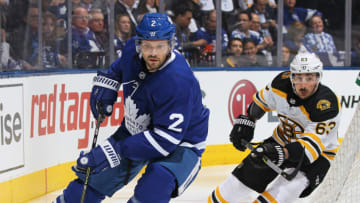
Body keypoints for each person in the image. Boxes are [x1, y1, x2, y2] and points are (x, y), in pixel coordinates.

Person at [54, 13, 209, 203]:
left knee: (155, 186)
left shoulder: (177, 80)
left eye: (160, 46)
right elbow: (119, 67)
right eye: (147, 46)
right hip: (136, 130)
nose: (153, 53)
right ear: (139, 43)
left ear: (170, 44)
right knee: (87, 186)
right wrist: (108, 84)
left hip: (180, 142)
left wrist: (113, 151)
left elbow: (165, 141)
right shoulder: (132, 50)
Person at [209, 52, 341, 203]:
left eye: (309, 78)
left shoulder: (326, 106)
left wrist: (278, 152)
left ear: (318, 78)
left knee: (281, 193)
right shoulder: (281, 84)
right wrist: (248, 121)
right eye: (298, 78)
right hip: (281, 141)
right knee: (232, 188)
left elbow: (307, 150)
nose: (303, 85)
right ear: (291, 77)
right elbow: (261, 103)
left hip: (316, 157)